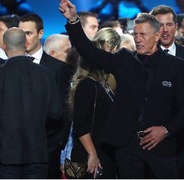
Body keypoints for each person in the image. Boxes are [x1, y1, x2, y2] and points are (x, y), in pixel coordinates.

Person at [57, 0, 184, 178]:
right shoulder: (124, 60)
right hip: (127, 148)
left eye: (143, 34)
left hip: (162, 149)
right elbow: (89, 52)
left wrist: (165, 130)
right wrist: (73, 20)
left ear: (157, 35)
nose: (138, 39)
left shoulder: (177, 66)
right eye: (135, 34)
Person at [150, 5, 184, 178]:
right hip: (151, 140)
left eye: (169, 24)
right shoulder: (144, 57)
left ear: (176, 26)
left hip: (182, 140)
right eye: (160, 25)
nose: (165, 30)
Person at [0, 27, 61, 178]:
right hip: (37, 152)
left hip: (5, 155)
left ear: (4, 46)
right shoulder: (45, 73)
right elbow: (56, 113)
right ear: (26, 44)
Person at [18, 13, 71, 178]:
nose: (24, 38)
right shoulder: (9, 68)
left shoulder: (58, 68)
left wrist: (56, 144)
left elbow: (63, 107)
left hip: (47, 147)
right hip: (16, 149)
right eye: (21, 34)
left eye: (28, 33)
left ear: (40, 34)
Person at [68, 36, 118, 178]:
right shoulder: (87, 85)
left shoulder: (102, 85)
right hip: (88, 157)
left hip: (100, 153)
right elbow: (80, 123)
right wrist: (93, 154)